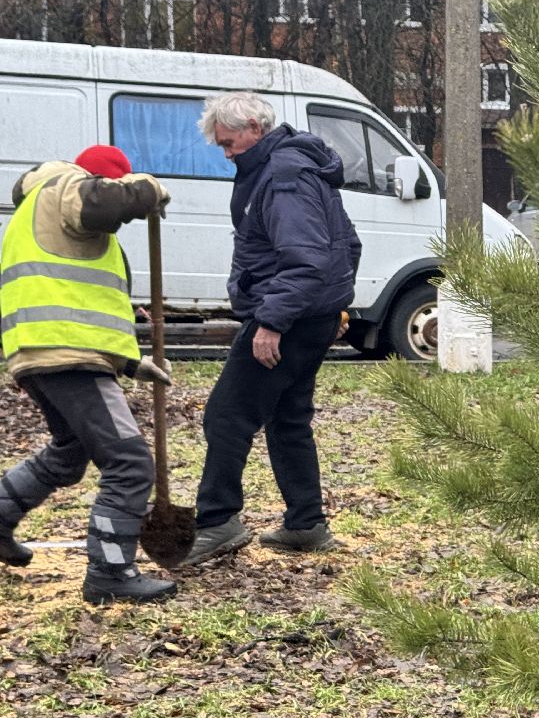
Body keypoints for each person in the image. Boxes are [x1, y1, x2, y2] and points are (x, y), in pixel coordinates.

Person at [182, 92, 360, 565]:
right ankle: (305, 524)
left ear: (255, 129)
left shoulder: (282, 176)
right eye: (220, 145)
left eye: (230, 141)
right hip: (308, 315)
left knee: (226, 414)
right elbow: (345, 244)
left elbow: (306, 259)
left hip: (288, 317)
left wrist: (272, 322)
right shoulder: (289, 166)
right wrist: (332, 306)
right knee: (288, 417)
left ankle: (218, 520)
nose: (226, 152)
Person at [0, 146, 178, 605]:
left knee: (68, 452)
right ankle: (111, 571)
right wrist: (150, 187)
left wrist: (131, 364)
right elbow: (103, 202)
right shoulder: (64, 187)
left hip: (44, 352)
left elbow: (79, 305)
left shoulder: (44, 211)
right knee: (130, 463)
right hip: (66, 356)